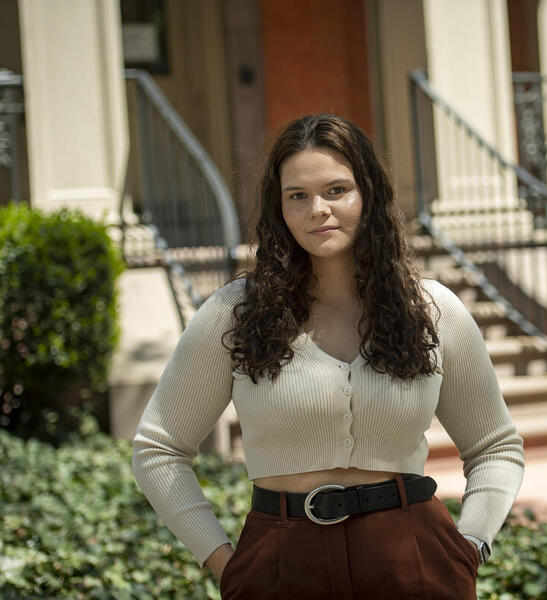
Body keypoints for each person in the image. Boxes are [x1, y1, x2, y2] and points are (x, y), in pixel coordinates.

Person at [131, 113, 525, 599]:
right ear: (279, 209)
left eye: (337, 190)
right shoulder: (235, 312)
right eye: (297, 195)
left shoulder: (433, 309)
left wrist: (470, 547)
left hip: (415, 559)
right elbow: (159, 449)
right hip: (280, 564)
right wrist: (223, 563)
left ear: (370, 196)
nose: (318, 209)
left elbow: (495, 447)